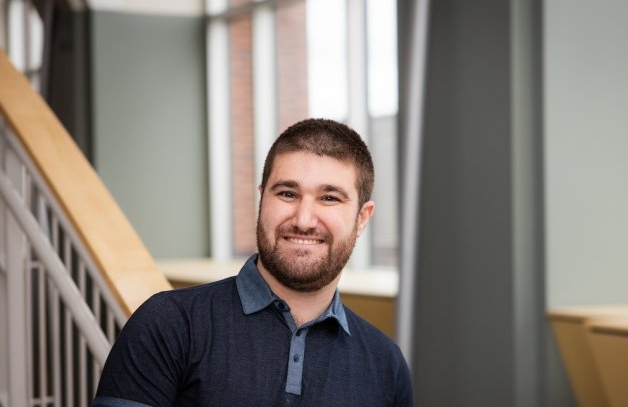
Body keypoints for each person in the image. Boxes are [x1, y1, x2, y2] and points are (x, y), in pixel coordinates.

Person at [93, 118, 413, 406]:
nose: (303, 219)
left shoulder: (386, 365)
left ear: (362, 218)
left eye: (329, 198)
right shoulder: (168, 323)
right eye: (287, 193)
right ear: (262, 199)